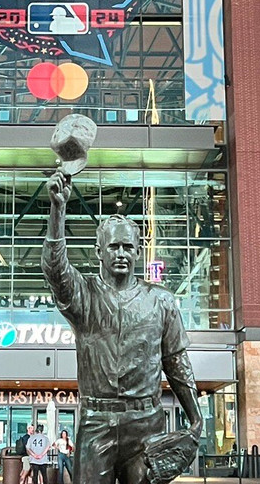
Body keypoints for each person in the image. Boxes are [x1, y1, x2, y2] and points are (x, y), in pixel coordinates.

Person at [43, 160, 203, 484]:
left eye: (128, 247)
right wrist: (57, 211)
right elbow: (55, 271)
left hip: (147, 422)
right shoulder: (84, 295)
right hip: (96, 423)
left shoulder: (161, 300)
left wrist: (196, 417)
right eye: (114, 246)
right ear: (98, 251)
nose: (121, 253)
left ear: (138, 252)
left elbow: (176, 363)